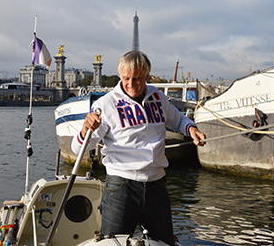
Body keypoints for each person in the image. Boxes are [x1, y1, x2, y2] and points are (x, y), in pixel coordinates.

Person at [71, 51, 206, 246]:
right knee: (113, 243)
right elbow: (78, 150)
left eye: (137, 79)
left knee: (163, 243)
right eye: (126, 78)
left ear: (147, 76)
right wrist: (85, 130)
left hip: (157, 185)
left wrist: (191, 128)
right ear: (120, 77)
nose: (131, 84)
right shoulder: (106, 105)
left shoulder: (159, 98)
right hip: (121, 187)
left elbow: (177, 119)